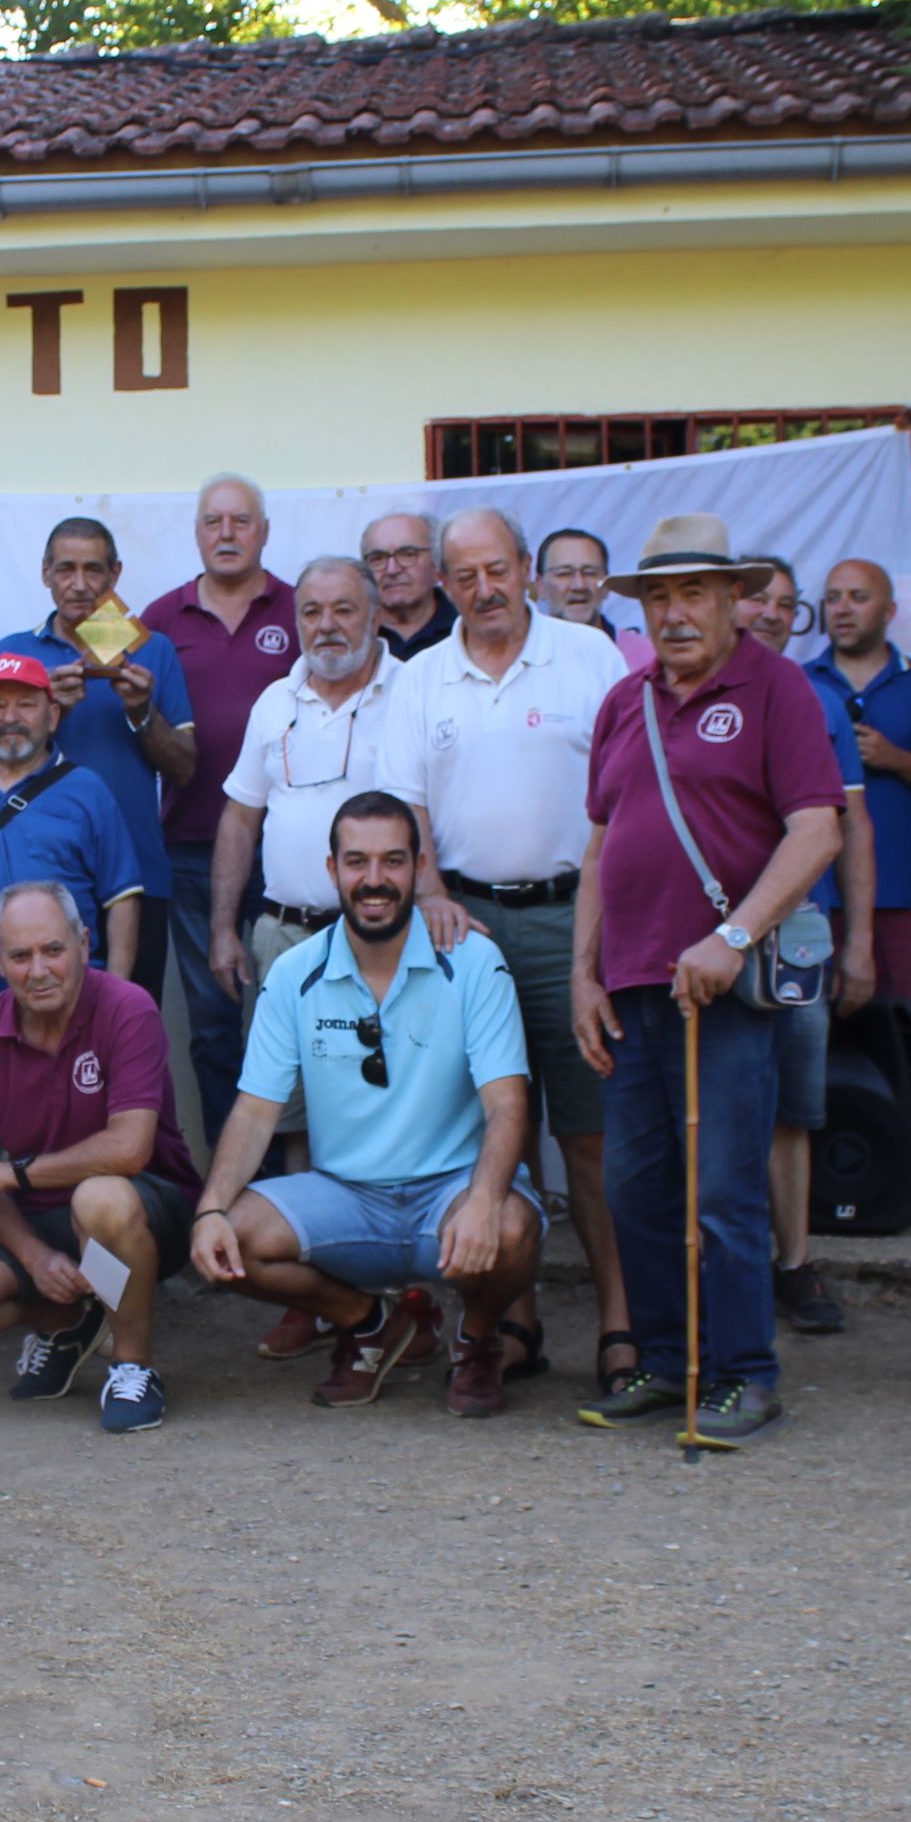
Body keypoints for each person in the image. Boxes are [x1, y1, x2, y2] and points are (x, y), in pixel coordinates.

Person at [570, 515, 845, 1451]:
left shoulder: (778, 690)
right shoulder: (625, 701)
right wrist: (582, 973)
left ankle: (743, 1375)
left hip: (726, 990)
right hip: (635, 979)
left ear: (734, 600)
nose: (676, 614)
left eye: (694, 594)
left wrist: (731, 936)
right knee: (636, 1185)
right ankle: (663, 1358)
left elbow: (818, 830)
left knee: (723, 1189)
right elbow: (602, 843)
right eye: (659, 597)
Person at [382, 506, 635, 1392]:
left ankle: (620, 1325)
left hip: (576, 921)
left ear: (527, 567)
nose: (485, 590)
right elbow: (404, 804)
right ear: (443, 584)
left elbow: (626, 799)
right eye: (466, 577)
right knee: (498, 1131)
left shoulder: (591, 658)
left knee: (592, 1138)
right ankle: (514, 1327)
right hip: (467, 927)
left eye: (499, 570)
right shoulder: (420, 678)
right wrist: (434, 894)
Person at [188, 792, 544, 1416]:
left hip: (450, 1194)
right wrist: (210, 1208)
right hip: (348, 1197)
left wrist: (485, 1199)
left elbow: (508, 1103)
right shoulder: (296, 973)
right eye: (357, 862)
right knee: (231, 1237)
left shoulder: (473, 961)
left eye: (392, 861)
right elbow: (253, 1112)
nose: (374, 880)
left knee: (514, 1228)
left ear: (418, 866)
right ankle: (370, 1323)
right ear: (332, 871)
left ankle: (477, 1337)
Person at [0, 883, 203, 1433]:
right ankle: (69, 1319)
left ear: (84, 942)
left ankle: (132, 1366)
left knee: (100, 1199)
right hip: (40, 1220)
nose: (39, 970)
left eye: (53, 950)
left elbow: (130, 1148)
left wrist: (15, 1172)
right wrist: (34, 1256)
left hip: (144, 1208)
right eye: (20, 956)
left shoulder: (126, 1007)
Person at [741, 559, 878, 1338]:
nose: (771, 612)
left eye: (788, 605)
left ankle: (793, 1264)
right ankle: (714, 1265)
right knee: (707, 1104)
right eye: (760, 597)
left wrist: (859, 940)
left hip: (797, 936)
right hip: (708, 934)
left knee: (790, 1110)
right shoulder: (687, 699)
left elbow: (850, 827)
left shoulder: (821, 702)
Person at [142, 472, 299, 1140]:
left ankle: (299, 1189)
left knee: (295, 1024)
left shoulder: (300, 609)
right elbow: (84, 650)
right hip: (189, 849)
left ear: (264, 532)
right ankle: (232, 1191)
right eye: (214, 521)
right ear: (197, 533)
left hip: (290, 852)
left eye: (241, 521)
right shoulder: (156, 617)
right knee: (212, 1027)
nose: (227, 533)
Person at [0, 517, 197, 994]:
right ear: (45, 573)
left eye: (93, 570)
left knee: (127, 1028)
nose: (79, 585)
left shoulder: (152, 650)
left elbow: (185, 768)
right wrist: (44, 711)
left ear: (115, 574)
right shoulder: (15, 653)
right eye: (65, 569)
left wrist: (143, 712)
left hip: (138, 874)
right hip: (37, 874)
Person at [0, 653, 144, 1009]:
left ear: (53, 716)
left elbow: (122, 897)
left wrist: (116, 999)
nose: (11, 718)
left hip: (67, 1006)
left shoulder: (88, 791)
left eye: (26, 705)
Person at [215, 559, 401, 993]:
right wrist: (223, 929)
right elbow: (239, 821)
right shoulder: (273, 701)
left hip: (386, 938)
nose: (327, 625)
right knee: (283, 1063)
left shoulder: (414, 693)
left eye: (344, 609)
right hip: (283, 938)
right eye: (312, 612)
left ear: (376, 618)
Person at [809, 558, 911, 1012]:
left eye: (858, 597)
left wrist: (895, 759)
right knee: (814, 1049)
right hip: (816, 896)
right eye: (832, 598)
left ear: (890, 610)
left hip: (902, 894)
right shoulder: (799, 685)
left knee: (901, 1040)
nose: (843, 609)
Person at [359, 510, 455, 657]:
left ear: (437, 564)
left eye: (408, 554)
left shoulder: (466, 626)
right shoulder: (353, 632)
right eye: (378, 558)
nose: (392, 570)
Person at [535, 527, 621, 641]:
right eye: (564, 573)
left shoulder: (645, 655)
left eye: (590, 573)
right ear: (541, 586)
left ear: (606, 585)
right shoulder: (517, 655)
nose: (579, 585)